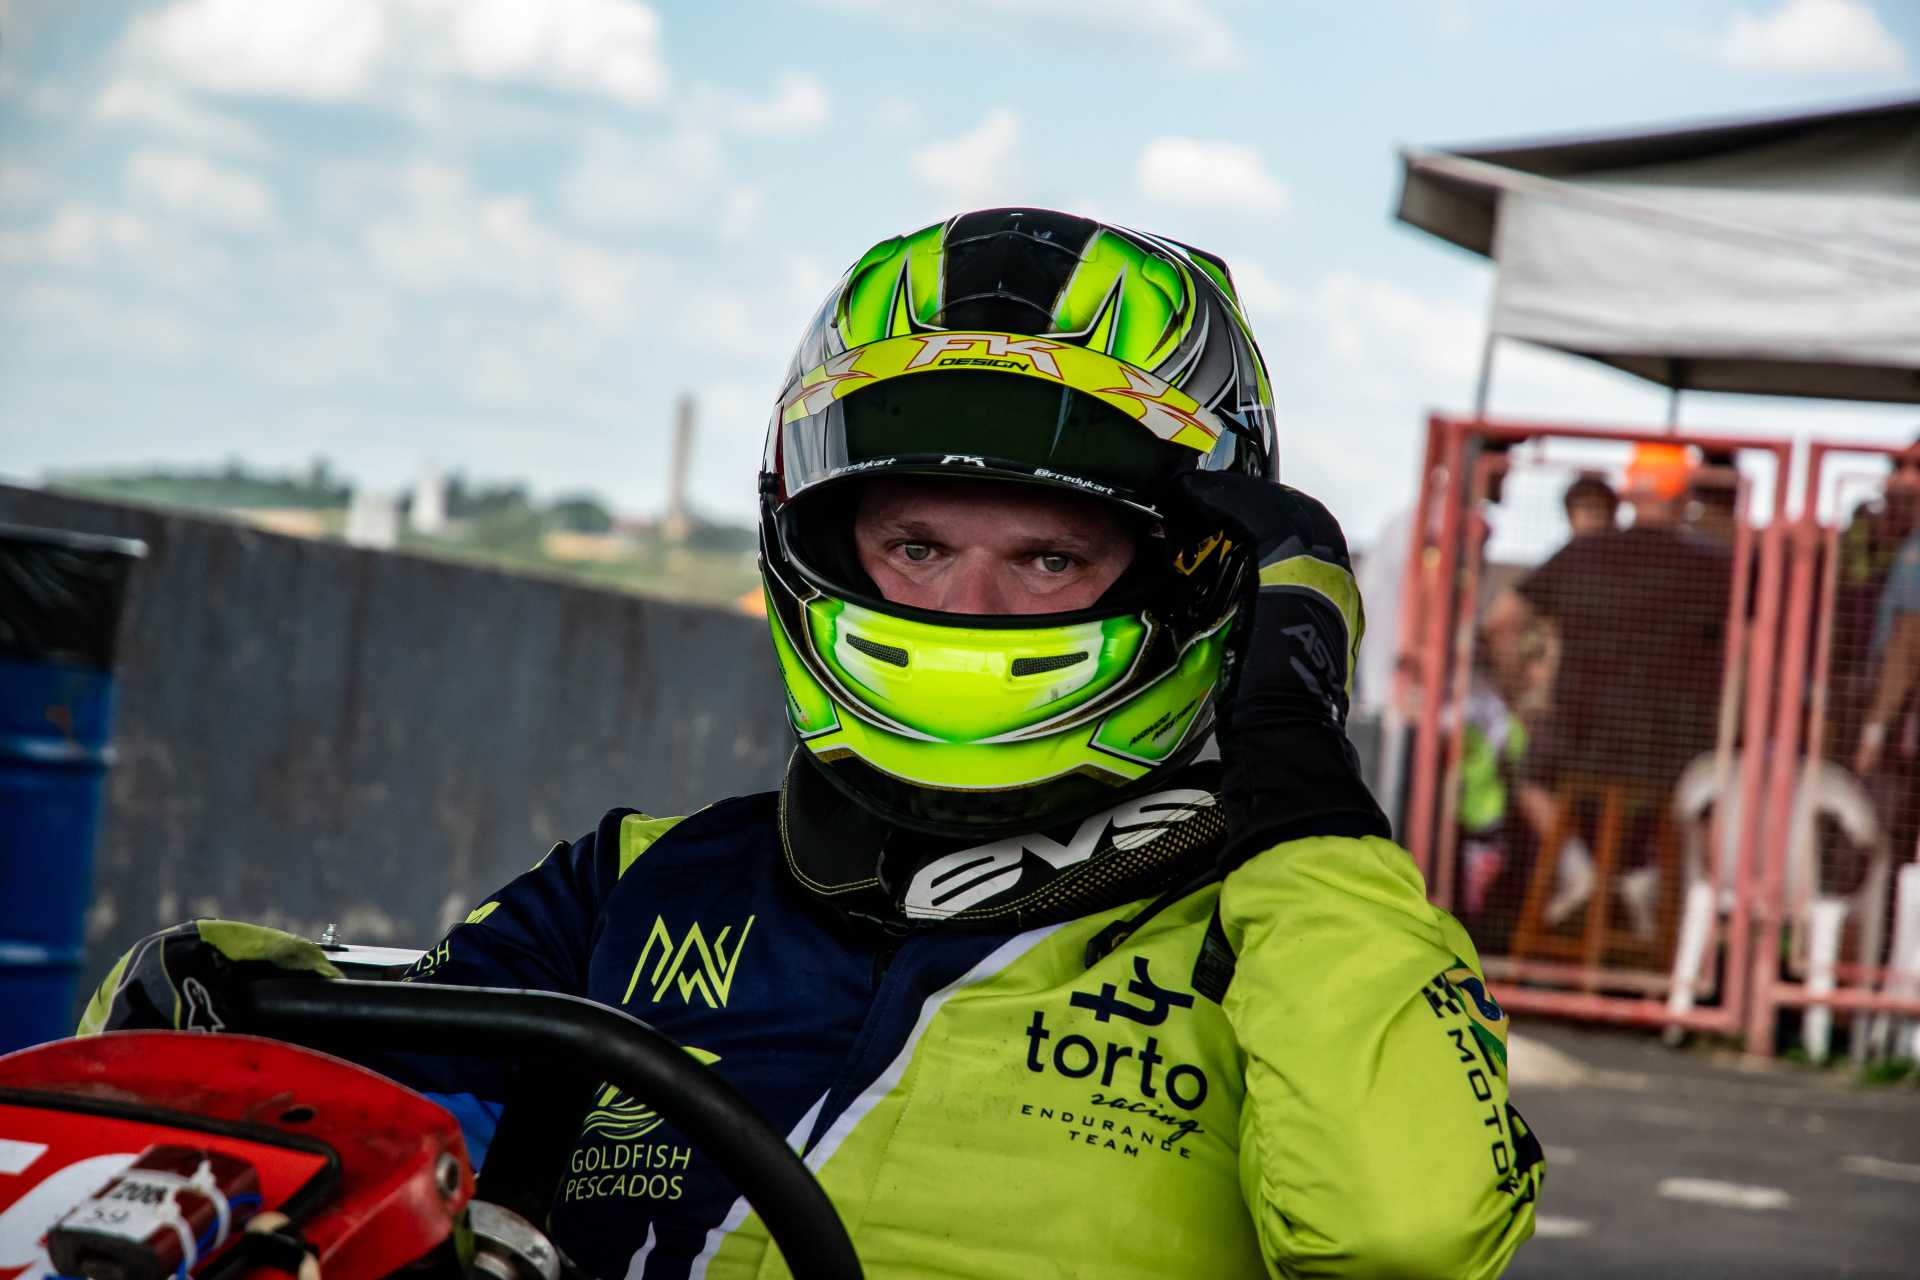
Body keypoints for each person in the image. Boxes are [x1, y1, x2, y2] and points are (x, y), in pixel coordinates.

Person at [79, 209, 1544, 1279]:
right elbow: (323, 1123)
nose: (968, 607)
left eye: (1049, 557)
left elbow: (1407, 1236)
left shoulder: (1287, 930)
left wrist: (1298, 772)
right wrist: (212, 1000)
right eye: (918, 545)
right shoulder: (642, 883)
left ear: (1203, 572)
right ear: (824, 540)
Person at [1484, 443, 1733, 936]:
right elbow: (1749, 647)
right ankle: (1648, 885)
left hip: (1579, 742)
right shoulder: (1712, 566)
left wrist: (1516, 696)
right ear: (1684, 495)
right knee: (1699, 806)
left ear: (1629, 493)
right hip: (1675, 753)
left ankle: (1582, 872)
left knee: (1528, 775)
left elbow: (1501, 622)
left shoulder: (1584, 552)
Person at [1853, 448, 1920, 862]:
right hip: (1883, 698)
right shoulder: (1898, 541)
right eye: (1901, 469)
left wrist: (1874, 730)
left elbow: (1906, 642)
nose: (1906, 480)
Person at [1561, 471, 1618, 539]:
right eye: (1588, 506)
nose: (1595, 513)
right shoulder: (1569, 547)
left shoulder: (1624, 544)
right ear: (1571, 514)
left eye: (1600, 507)